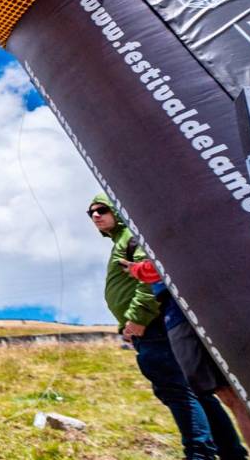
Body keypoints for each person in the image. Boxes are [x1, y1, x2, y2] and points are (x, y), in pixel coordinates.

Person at [91, 194, 221, 459]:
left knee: (177, 391)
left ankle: (200, 454)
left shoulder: (131, 236)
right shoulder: (123, 240)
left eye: (101, 209)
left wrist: (138, 318)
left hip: (153, 326)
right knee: (196, 393)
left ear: (116, 209)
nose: (95, 216)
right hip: (153, 327)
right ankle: (229, 451)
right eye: (90, 213)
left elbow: (151, 274)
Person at [121, 255, 250, 459]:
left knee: (232, 395)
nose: (96, 220)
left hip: (187, 308)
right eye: (92, 219)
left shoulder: (148, 231)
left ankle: (207, 453)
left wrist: (138, 273)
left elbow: (163, 262)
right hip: (195, 304)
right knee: (231, 395)